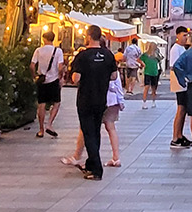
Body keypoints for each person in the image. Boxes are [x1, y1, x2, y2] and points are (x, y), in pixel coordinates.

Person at [68, 25, 118, 179]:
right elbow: (114, 76)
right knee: (95, 131)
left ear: (89, 37)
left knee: (88, 132)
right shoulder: (108, 55)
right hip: (101, 99)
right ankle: (90, 163)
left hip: (85, 98)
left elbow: (76, 78)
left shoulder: (82, 56)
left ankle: (96, 169)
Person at [63, 67, 124, 169]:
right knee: (111, 128)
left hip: (100, 100)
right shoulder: (112, 68)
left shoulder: (96, 68)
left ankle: (77, 156)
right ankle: (116, 158)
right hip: (113, 100)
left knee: (85, 128)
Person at [31, 32, 63, 138]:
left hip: (42, 79)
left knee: (41, 104)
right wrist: (60, 77)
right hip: (53, 79)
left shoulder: (38, 50)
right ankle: (49, 124)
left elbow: (32, 65)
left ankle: (41, 130)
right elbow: (60, 67)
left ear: (44, 39)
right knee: (56, 103)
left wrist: (34, 76)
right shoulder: (58, 51)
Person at [167, 27, 192, 148]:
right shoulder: (175, 49)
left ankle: (180, 135)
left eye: (187, 36)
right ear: (177, 35)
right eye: (183, 35)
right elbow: (174, 66)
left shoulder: (183, 48)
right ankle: (175, 137)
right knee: (181, 109)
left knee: (183, 110)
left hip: (184, 81)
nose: (185, 38)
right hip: (179, 81)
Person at [140, 40, 161, 109]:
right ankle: (145, 102)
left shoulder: (156, 55)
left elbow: (160, 59)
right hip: (148, 72)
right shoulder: (145, 55)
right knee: (147, 87)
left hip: (154, 72)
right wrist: (143, 64)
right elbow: (139, 59)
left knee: (153, 88)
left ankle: (153, 101)